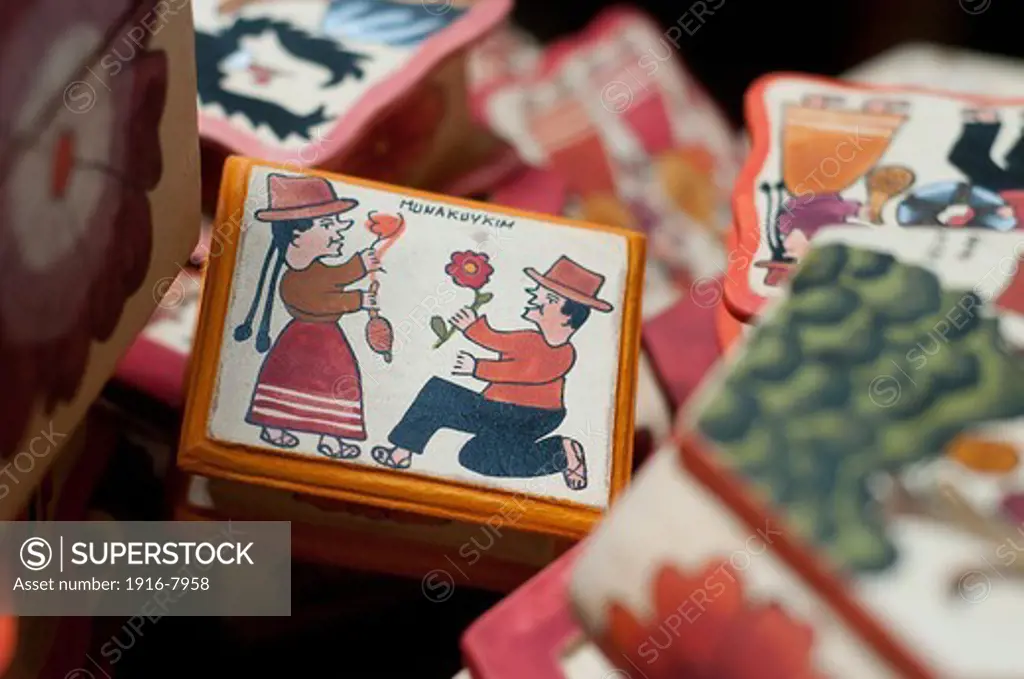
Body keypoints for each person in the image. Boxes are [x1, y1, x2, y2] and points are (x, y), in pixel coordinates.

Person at [371, 256, 613, 490]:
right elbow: (498, 340)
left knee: (458, 426)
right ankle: (402, 452)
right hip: (497, 410)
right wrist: (472, 327)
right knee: (457, 426)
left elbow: (525, 372)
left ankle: (560, 453)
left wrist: (478, 368)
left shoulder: (563, 353)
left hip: (531, 417)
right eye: (538, 291)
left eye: (547, 297)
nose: (534, 298)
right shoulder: (529, 338)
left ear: (568, 316)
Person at [234, 174, 381, 459]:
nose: (340, 231)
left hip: (329, 343)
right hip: (302, 343)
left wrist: (360, 265)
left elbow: (335, 276)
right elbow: (318, 301)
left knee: (339, 384)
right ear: (296, 235)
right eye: (328, 225)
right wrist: (357, 300)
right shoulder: (293, 281)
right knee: (289, 382)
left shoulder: (316, 270)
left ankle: (333, 437)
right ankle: (274, 426)